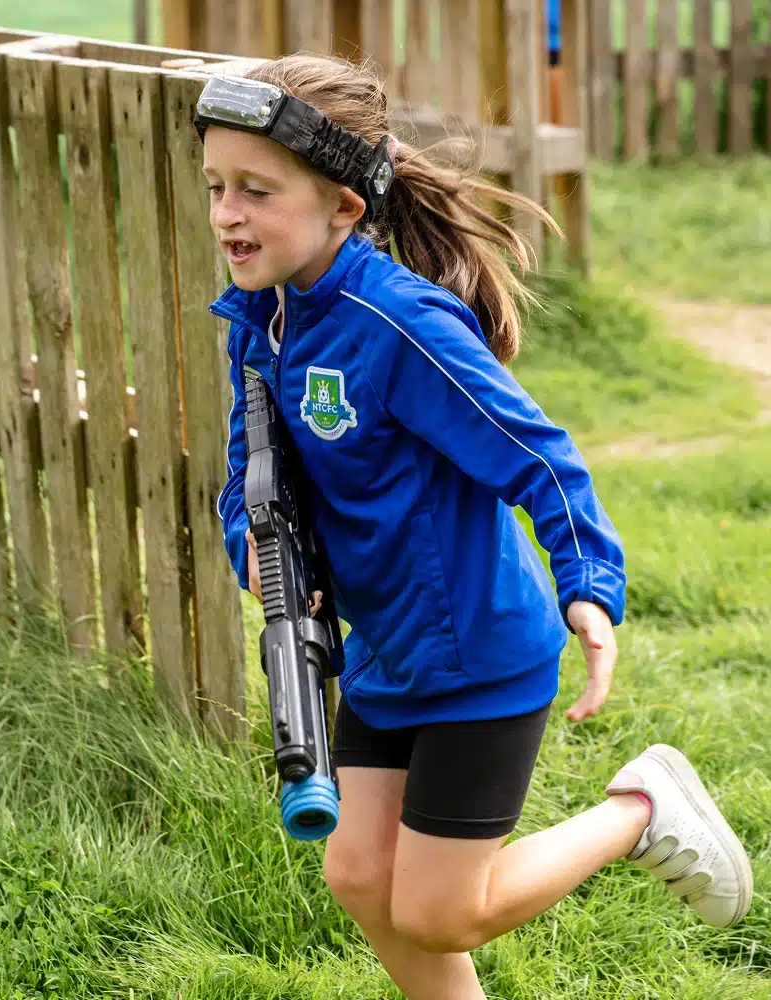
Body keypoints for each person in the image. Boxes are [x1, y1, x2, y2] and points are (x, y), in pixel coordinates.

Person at [194, 55, 752, 999]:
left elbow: (536, 456)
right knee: (359, 875)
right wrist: (253, 548)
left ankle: (641, 808)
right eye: (215, 187)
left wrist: (588, 587)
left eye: (256, 189)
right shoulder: (265, 318)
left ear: (343, 207)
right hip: (385, 653)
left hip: (476, 657)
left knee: (442, 910)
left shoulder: (400, 326)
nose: (227, 214)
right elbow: (251, 471)